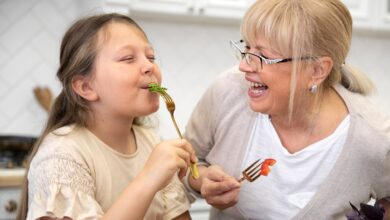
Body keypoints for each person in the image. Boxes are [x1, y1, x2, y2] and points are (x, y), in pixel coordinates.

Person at [183, 0, 390, 219]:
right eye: (246, 48)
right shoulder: (228, 91)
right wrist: (202, 179)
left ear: (318, 70)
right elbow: (185, 164)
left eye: (263, 56)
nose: (244, 66)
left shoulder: (373, 139)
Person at [18, 13, 197, 220]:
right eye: (128, 58)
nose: (150, 66)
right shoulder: (62, 156)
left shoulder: (150, 142)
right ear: (86, 87)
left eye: (151, 57)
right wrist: (148, 179)